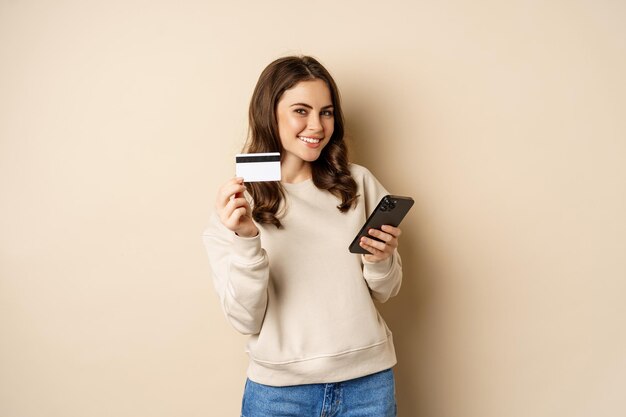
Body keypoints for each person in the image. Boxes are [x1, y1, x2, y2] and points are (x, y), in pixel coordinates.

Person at [202, 55, 404, 417]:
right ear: (270, 113)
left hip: (368, 386)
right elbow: (245, 319)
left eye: (326, 112)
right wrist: (247, 240)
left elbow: (386, 290)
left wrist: (381, 259)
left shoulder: (357, 183)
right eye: (301, 110)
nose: (317, 125)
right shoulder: (237, 205)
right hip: (279, 396)